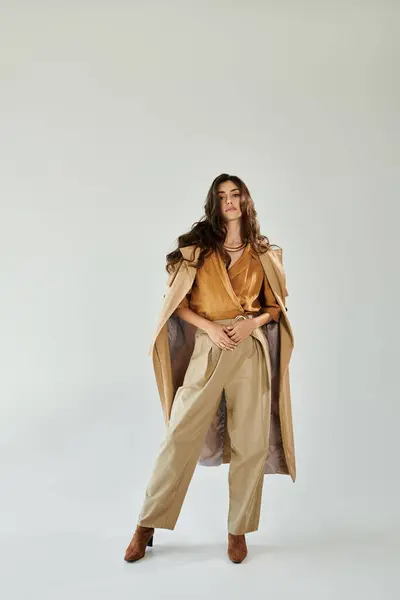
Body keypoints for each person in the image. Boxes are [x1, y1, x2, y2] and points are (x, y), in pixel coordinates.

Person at [124, 173, 296, 564]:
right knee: (179, 436)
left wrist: (252, 323)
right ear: (214, 204)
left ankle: (238, 531)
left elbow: (274, 309)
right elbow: (177, 305)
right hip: (208, 347)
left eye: (235, 195)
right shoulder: (195, 250)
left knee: (251, 442)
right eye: (222, 196)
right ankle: (145, 524)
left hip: (249, 350)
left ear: (245, 201)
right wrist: (210, 329)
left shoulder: (264, 254)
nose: (229, 201)